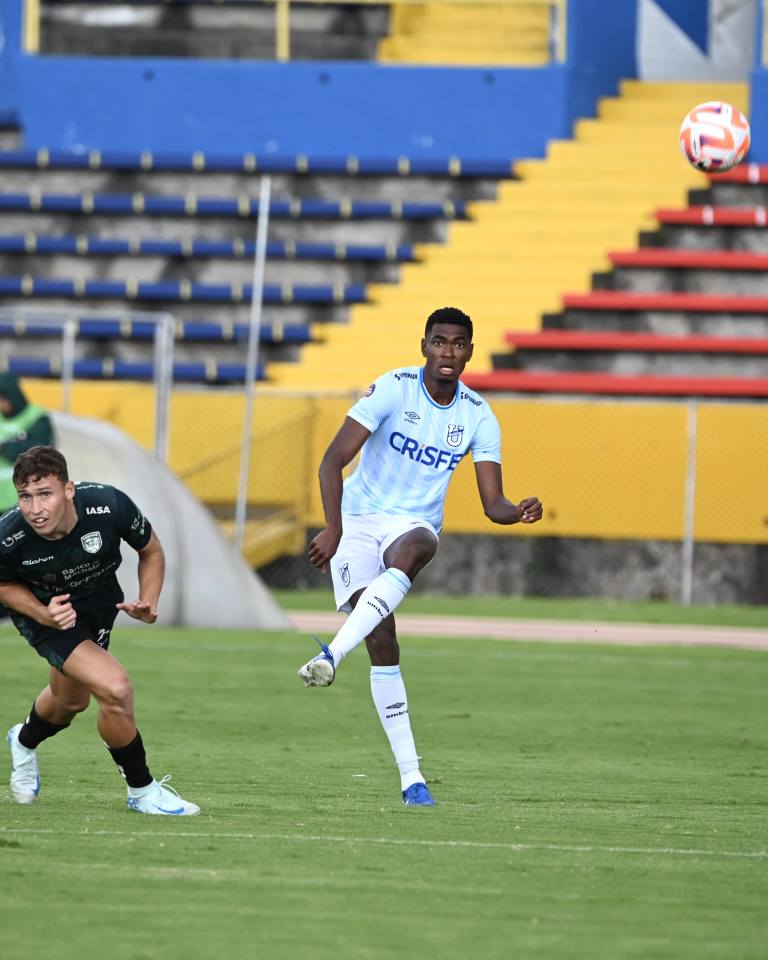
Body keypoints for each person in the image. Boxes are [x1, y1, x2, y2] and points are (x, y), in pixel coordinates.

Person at [298, 306, 543, 806]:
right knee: (383, 641)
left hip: (413, 524)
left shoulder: (478, 415)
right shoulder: (393, 387)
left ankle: (331, 655)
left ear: (470, 352)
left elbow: (491, 504)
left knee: (414, 549)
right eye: (439, 341)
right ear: (424, 345)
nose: (448, 351)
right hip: (359, 520)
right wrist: (334, 527)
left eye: (458, 343)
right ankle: (411, 779)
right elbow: (331, 461)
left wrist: (516, 510)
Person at [1, 445, 199, 815]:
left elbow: (152, 551)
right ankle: (142, 791)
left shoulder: (109, 505)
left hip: (99, 604)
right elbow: (3, 586)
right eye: (25, 497)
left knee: (69, 702)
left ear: (69, 490)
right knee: (115, 688)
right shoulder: (9, 536)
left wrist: (148, 600)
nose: (35, 508)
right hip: (49, 616)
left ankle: (23, 741)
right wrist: (42, 614)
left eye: (45, 494)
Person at [0, 374, 55, 515]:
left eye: (2, 399)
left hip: (27, 501)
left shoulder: (36, 417)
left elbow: (38, 452)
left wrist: (5, 448)